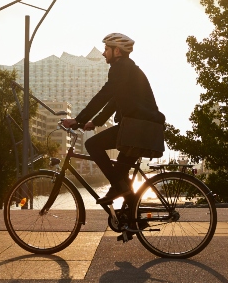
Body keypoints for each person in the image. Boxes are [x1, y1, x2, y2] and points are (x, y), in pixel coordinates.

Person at [61, 33, 165, 214]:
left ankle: (117, 188)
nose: (103, 54)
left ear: (117, 51)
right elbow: (116, 99)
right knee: (121, 178)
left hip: (138, 128)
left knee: (92, 145)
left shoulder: (120, 68)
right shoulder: (128, 70)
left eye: (106, 49)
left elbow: (105, 94)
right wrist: (95, 122)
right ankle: (130, 221)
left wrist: (79, 120)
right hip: (141, 128)